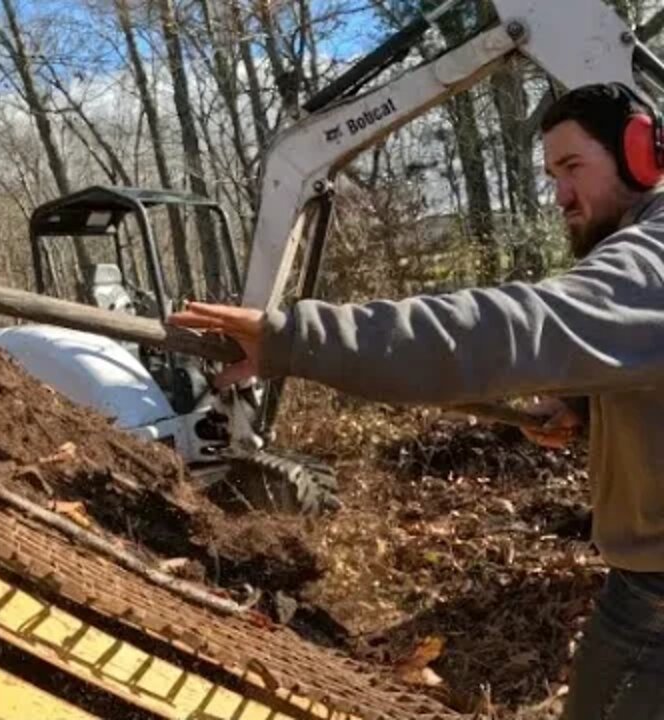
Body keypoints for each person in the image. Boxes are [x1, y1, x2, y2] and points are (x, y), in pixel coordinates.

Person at [168, 83, 664, 719]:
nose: (561, 195)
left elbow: (510, 327)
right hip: (638, 585)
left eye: (573, 168)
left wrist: (295, 339)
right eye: (551, 174)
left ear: (642, 156)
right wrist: (586, 406)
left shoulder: (653, 258)